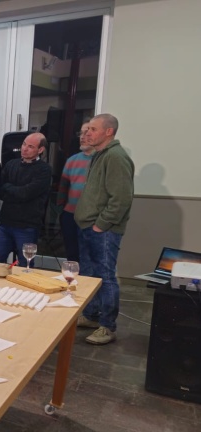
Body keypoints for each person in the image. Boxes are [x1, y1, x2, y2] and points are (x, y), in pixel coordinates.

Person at [75, 113, 134, 345]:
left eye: (93, 129)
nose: (87, 133)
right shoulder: (99, 155)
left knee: (106, 277)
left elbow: (121, 198)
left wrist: (101, 225)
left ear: (108, 132)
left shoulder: (116, 157)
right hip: (89, 226)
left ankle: (107, 326)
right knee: (90, 275)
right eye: (87, 128)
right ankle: (92, 315)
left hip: (102, 230)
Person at [0, 132, 52, 267]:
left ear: (40, 150)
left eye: (30, 146)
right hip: (6, 222)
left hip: (27, 225)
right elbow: (0, 190)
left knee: (25, 264)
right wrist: (14, 190)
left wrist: (9, 188)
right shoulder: (11, 164)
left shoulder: (44, 170)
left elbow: (26, 193)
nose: (24, 149)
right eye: (24, 144)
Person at [57, 121, 94, 262]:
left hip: (90, 217)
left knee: (88, 256)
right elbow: (63, 187)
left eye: (86, 133)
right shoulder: (72, 160)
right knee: (72, 254)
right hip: (70, 214)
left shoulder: (100, 159)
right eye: (81, 133)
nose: (82, 137)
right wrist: (61, 209)